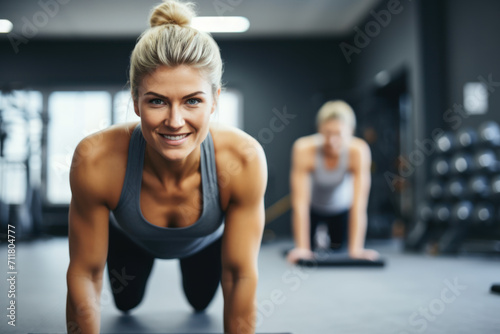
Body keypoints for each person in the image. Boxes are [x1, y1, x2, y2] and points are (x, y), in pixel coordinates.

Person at [65, 1, 267, 333]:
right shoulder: (96, 159)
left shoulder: (244, 158)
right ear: (135, 101)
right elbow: (85, 274)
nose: (175, 122)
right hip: (130, 240)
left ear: (215, 99)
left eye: (193, 100)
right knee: (126, 301)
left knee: (201, 300)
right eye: (157, 100)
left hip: (204, 244)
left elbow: (239, 274)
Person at [287, 100, 379, 264]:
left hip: (340, 209)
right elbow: (300, 204)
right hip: (313, 209)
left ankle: (330, 240)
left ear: (350, 132)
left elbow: (359, 204)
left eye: (339, 134)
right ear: (319, 130)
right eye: (327, 133)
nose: (332, 140)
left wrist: (356, 249)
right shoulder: (303, 148)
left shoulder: (358, 150)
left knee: (339, 249)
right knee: (309, 251)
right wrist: (302, 247)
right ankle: (315, 241)